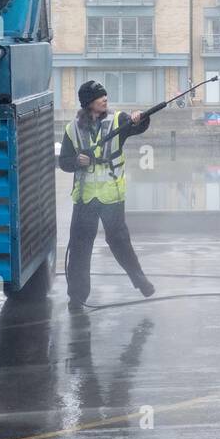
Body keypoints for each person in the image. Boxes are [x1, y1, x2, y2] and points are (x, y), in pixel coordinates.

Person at [58, 80, 154, 311]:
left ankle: (141, 282)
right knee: (80, 249)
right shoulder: (72, 129)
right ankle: (77, 296)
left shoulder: (118, 120)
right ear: (88, 103)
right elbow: (64, 163)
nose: (105, 99)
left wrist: (141, 118)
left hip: (112, 197)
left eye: (105, 96)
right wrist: (76, 161)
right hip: (85, 198)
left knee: (120, 242)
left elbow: (138, 127)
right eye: (100, 97)